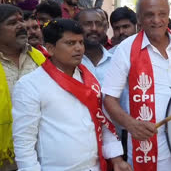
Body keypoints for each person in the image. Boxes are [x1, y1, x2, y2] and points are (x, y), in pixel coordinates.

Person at [102, 0, 171, 171]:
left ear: (168, 17)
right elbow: (109, 98)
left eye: (162, 14)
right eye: (149, 15)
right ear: (139, 19)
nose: (156, 20)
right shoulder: (126, 49)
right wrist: (131, 124)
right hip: (148, 144)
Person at [12, 18, 132, 171]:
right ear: (50, 48)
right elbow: (24, 142)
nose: (79, 48)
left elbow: (103, 121)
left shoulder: (89, 78)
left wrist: (116, 160)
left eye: (80, 42)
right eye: (70, 43)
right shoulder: (30, 85)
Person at [0, 4, 45, 171]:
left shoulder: (38, 57)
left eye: (21, 21)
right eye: (12, 23)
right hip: (5, 159)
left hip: (39, 153)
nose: (22, 26)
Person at [74, 8, 112, 85]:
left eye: (99, 24)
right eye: (87, 24)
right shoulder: (70, 62)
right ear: (76, 27)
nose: (94, 28)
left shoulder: (116, 60)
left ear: (105, 27)